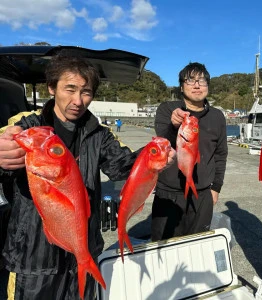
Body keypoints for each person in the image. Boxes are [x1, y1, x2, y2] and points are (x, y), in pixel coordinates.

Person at [0, 52, 174, 299]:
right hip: (33, 257)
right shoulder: (27, 127)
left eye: (86, 92)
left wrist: (156, 158)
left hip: (84, 250)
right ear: (52, 88)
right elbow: (4, 151)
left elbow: (123, 166)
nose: (78, 100)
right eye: (69, 89)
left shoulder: (99, 134)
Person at [151, 62, 228, 241]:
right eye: (190, 80)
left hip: (202, 195)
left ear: (208, 86)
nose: (196, 85)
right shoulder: (168, 109)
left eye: (202, 81)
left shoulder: (217, 116)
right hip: (168, 194)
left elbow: (221, 153)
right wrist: (173, 126)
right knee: (163, 248)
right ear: (181, 86)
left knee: (198, 247)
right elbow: (161, 145)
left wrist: (216, 188)